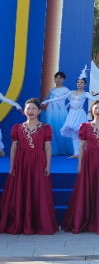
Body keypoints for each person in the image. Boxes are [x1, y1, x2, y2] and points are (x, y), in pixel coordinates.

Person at [61, 100, 99, 235]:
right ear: (92, 110)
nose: (98, 110)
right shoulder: (85, 126)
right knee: (86, 189)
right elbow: (82, 147)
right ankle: (84, 219)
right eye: (95, 108)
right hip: (89, 160)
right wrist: (80, 164)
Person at [0, 98, 58, 235]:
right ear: (24, 111)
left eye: (33, 108)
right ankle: (20, 222)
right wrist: (12, 166)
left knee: (38, 190)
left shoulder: (46, 128)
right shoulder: (17, 128)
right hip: (21, 162)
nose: (30, 111)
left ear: (39, 111)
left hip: (38, 162)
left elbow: (48, 149)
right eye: (28, 108)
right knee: (20, 190)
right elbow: (13, 148)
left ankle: (38, 223)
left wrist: (48, 166)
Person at [43, 66, 97, 159]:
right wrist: (46, 101)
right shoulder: (71, 92)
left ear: (85, 84)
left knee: (81, 132)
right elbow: (60, 98)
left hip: (78, 114)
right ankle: (76, 153)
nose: (79, 84)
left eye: (81, 82)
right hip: (70, 113)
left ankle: (85, 151)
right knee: (73, 132)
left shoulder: (85, 93)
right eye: (78, 82)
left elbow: (94, 99)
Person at [41, 71, 73, 155]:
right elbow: (47, 98)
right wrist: (41, 104)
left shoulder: (66, 90)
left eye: (60, 78)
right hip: (50, 111)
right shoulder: (52, 89)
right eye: (56, 78)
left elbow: (72, 100)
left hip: (61, 112)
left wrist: (66, 106)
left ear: (63, 80)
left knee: (61, 128)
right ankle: (52, 150)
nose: (58, 80)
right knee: (51, 128)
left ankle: (65, 149)